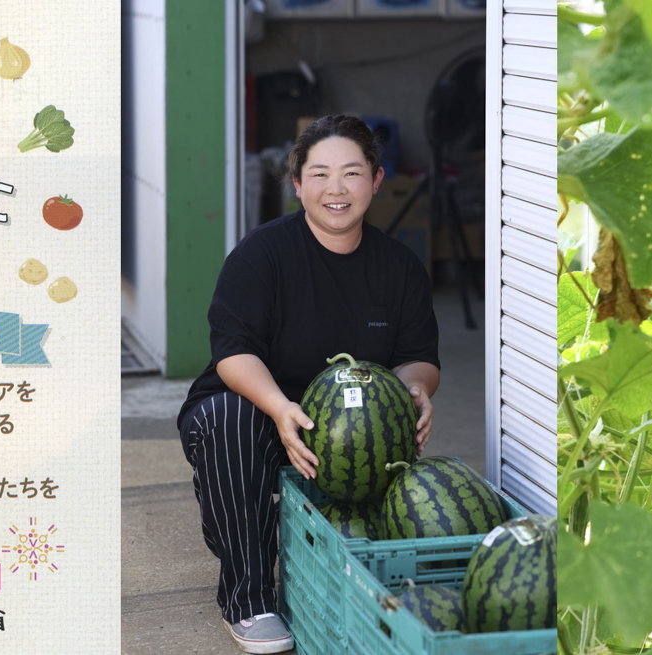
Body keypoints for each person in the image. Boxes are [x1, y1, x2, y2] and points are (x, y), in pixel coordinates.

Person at [175, 114, 441, 654]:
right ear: (298, 186)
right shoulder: (262, 255)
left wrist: (413, 391)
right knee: (230, 417)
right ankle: (247, 598)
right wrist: (278, 408)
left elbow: (419, 359)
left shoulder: (400, 267)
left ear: (376, 179)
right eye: (319, 175)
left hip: (348, 432)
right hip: (258, 413)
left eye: (351, 173)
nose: (335, 189)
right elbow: (234, 354)